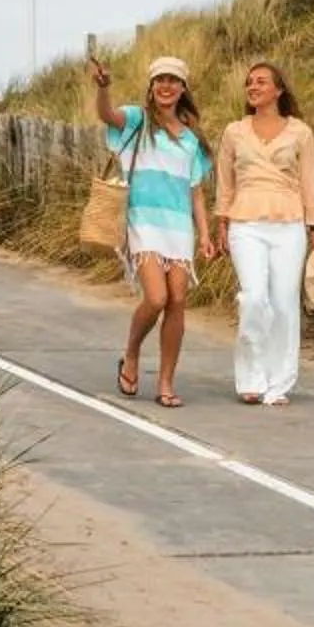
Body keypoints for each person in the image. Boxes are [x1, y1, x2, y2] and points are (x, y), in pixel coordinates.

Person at [91, 53, 215, 409]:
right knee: (157, 298)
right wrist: (104, 88)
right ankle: (131, 353)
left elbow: (195, 191)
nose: (166, 86)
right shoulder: (137, 120)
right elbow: (106, 115)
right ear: (151, 86)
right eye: (160, 79)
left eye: (173, 80)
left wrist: (204, 234)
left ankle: (165, 383)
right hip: (143, 224)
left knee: (178, 301)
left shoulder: (192, 139)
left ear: (182, 88)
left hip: (178, 229)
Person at [214, 60, 314, 405]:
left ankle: (278, 384)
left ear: (278, 90)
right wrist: (222, 222)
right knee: (253, 298)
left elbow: (310, 184)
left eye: (261, 82)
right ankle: (251, 377)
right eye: (249, 82)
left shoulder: (300, 132)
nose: (252, 87)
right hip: (245, 223)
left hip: (289, 225)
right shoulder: (234, 131)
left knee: (283, 304)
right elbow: (225, 182)